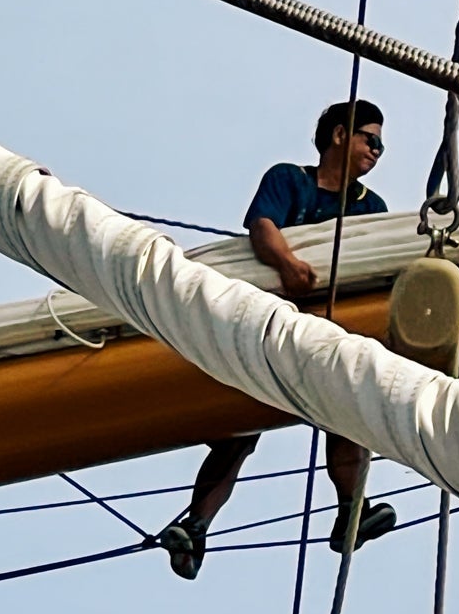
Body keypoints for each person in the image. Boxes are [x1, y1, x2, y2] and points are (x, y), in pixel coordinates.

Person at [157, 99, 399, 579]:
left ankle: (351, 511)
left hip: (332, 324)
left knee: (347, 412)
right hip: (270, 319)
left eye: (380, 145)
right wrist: (288, 264)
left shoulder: (372, 209)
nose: (377, 150)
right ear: (339, 135)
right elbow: (262, 226)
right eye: (370, 139)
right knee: (242, 428)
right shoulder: (290, 180)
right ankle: (196, 525)